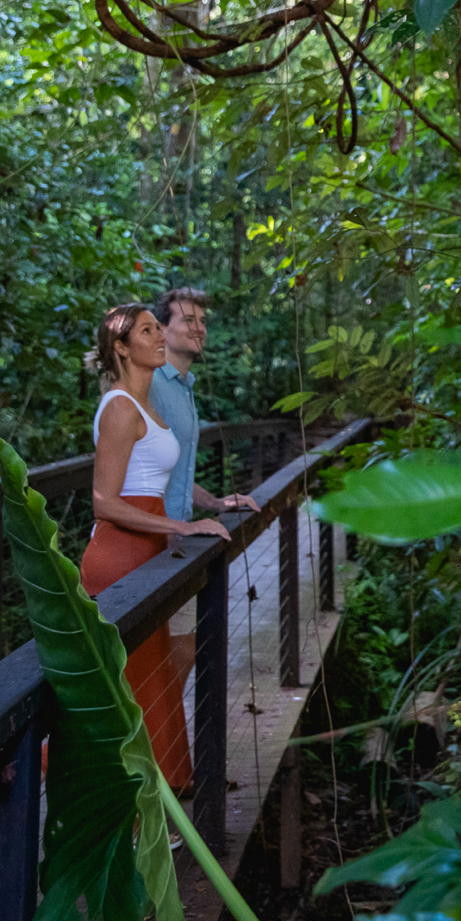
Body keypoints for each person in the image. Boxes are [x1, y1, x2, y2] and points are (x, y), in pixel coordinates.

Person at [80, 302, 230, 793]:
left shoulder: (149, 404)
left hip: (152, 552)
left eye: (156, 329)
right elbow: (104, 502)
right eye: (148, 331)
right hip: (120, 557)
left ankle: (153, 803)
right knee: (133, 683)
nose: (159, 337)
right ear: (122, 347)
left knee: (153, 678)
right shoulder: (120, 407)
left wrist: (198, 511)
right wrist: (182, 528)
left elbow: (160, 477)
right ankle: (117, 796)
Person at [147, 286, 259, 686]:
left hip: (175, 540)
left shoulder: (183, 386)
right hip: (146, 542)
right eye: (188, 320)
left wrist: (214, 503)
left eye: (203, 321)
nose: (199, 329)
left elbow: (172, 469)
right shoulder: (147, 384)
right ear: (161, 329)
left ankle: (157, 744)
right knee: (148, 665)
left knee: (179, 653)